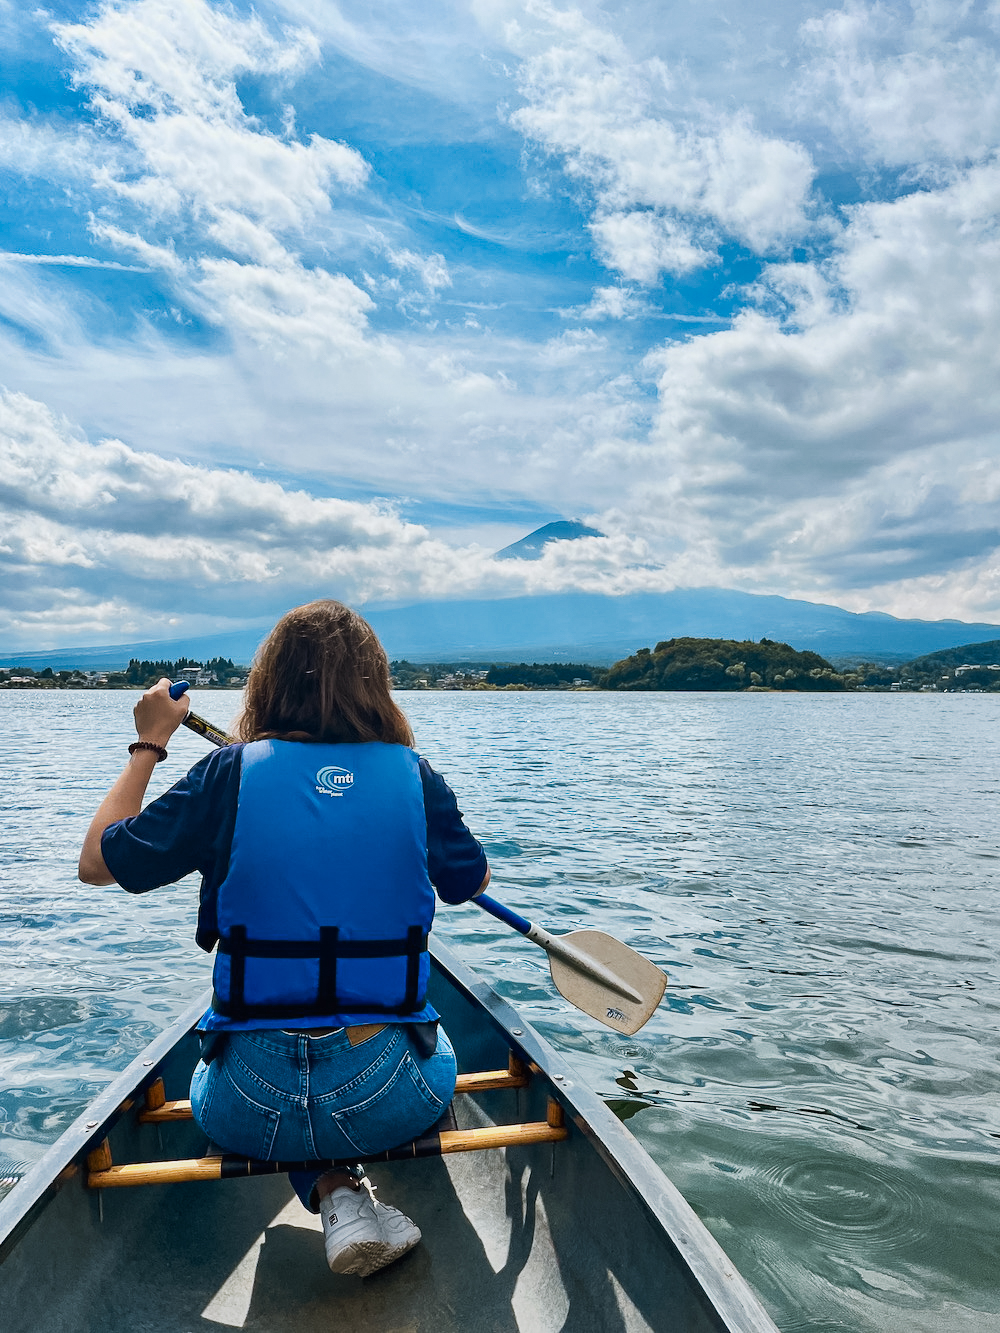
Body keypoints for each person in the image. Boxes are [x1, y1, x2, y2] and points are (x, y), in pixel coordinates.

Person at [78, 600, 490, 1278]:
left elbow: (96, 862)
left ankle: (331, 1189)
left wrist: (150, 742)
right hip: (387, 1095)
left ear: (267, 684)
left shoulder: (227, 774)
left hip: (244, 1105)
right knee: (437, 1039)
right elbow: (471, 881)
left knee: (262, 1064)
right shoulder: (416, 777)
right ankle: (346, 1188)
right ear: (375, 686)